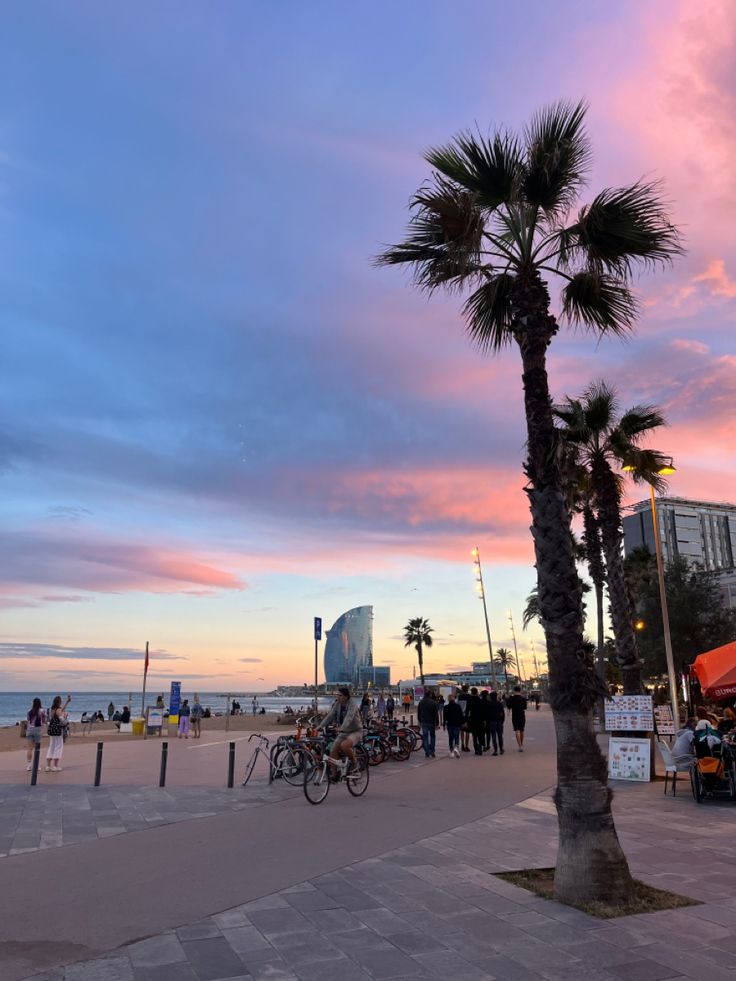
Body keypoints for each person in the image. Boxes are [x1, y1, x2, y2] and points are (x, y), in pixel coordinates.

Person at [317, 687, 362, 775]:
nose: (338, 697)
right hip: (344, 732)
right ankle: (334, 774)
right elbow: (330, 715)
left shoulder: (352, 704)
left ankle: (355, 763)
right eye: (337, 695)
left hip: (355, 731)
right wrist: (321, 726)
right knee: (333, 750)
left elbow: (349, 717)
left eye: (340, 695)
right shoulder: (337, 704)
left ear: (346, 696)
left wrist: (342, 727)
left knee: (344, 746)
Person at [45, 695, 71, 772]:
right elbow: (62, 720)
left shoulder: (52, 709)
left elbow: (61, 710)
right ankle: (55, 766)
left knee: (51, 746)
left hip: (51, 730)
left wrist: (67, 702)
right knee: (58, 747)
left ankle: (48, 766)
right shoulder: (58, 710)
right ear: (59, 702)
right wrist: (65, 717)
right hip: (58, 730)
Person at [25, 698, 46, 771]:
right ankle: (37, 765)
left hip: (30, 730)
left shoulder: (29, 711)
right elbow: (43, 721)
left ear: (33, 703)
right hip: (38, 730)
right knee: (37, 749)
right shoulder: (42, 711)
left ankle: (29, 765)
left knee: (29, 748)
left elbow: (28, 720)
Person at [417, 689, 439, 758]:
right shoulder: (433, 702)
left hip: (424, 722)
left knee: (425, 737)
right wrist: (437, 723)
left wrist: (420, 721)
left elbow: (419, 713)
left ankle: (427, 752)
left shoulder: (421, 702)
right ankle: (432, 751)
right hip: (431, 722)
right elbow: (436, 714)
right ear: (430, 695)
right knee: (432, 736)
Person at [465, 687, 485, 755]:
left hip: (472, 719)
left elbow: (467, 711)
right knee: (480, 734)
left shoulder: (469, 700)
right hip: (479, 719)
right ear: (476, 692)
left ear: (471, 692)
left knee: (474, 735)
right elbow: (482, 711)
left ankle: (476, 748)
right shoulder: (479, 700)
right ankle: (480, 747)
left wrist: (466, 720)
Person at [507, 686, 528, 751]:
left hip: (515, 716)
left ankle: (519, 746)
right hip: (522, 715)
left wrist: (509, 712)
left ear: (514, 690)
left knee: (517, 730)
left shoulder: (512, 698)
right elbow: (525, 707)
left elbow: (509, 706)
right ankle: (521, 744)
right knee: (522, 730)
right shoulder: (523, 698)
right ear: (520, 690)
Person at [444, 693, 464, 758]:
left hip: (450, 724)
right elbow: (461, 715)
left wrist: (444, 724)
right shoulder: (458, 706)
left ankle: (451, 750)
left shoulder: (446, 707)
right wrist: (462, 723)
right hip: (457, 724)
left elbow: (445, 717)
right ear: (454, 699)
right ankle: (456, 748)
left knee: (450, 738)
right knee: (457, 737)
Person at [487, 691, 505, 755]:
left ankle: (495, 750)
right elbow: (502, 713)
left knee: (493, 736)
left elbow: (487, 714)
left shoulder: (489, 704)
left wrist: (488, 721)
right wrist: (502, 721)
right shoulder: (499, 704)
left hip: (492, 722)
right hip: (499, 721)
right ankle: (501, 749)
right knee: (500, 735)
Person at [457, 685, 471, 752]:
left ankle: (462, 744)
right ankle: (466, 746)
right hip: (468, 716)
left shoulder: (460, 697)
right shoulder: (469, 697)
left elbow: (458, 706)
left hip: (461, 716)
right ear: (467, 689)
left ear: (462, 689)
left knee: (462, 731)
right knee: (467, 731)